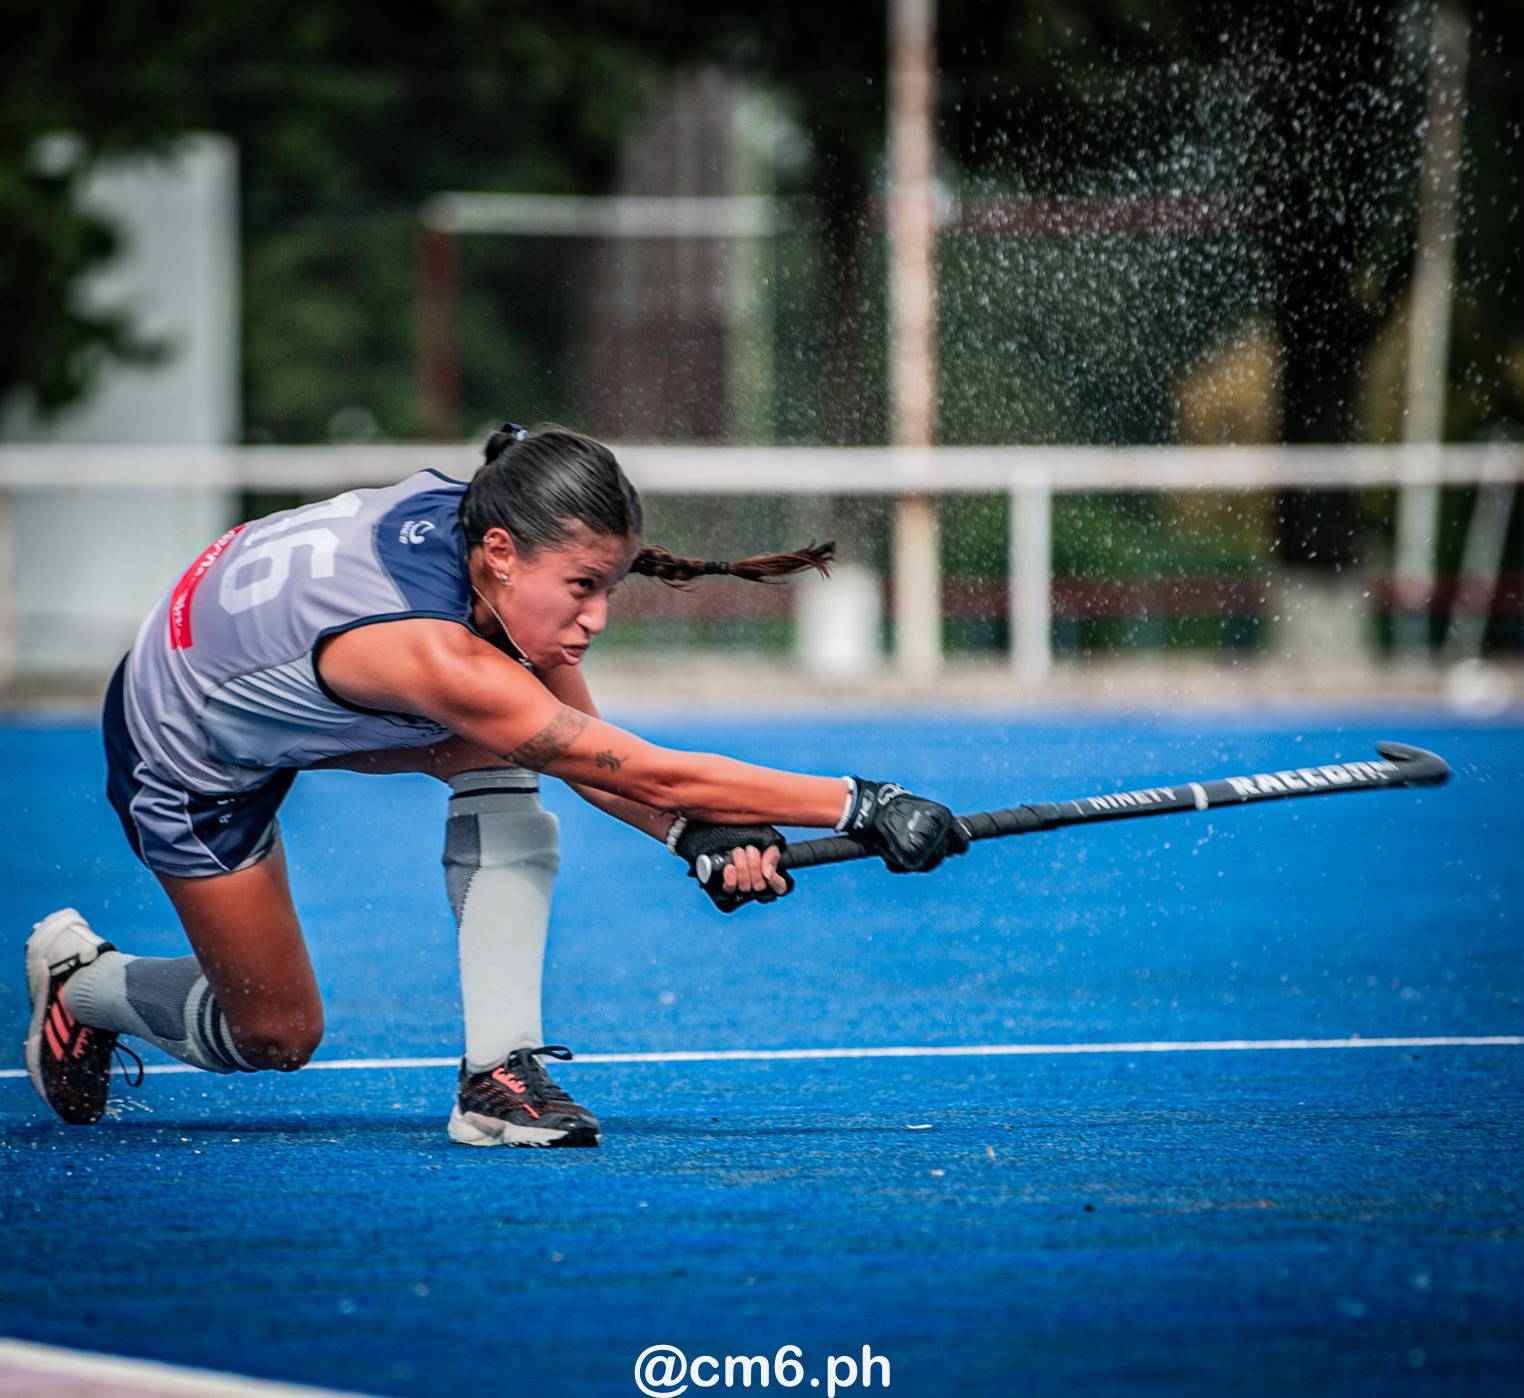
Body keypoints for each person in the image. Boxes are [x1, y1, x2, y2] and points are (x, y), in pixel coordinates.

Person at [25, 425, 966, 1148]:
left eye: (613, 588)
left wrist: (697, 837)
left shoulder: (482, 527)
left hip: (265, 679)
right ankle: (86, 987)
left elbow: (594, 756)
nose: (597, 620)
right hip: (182, 748)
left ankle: (496, 1079)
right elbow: (629, 765)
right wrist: (863, 803)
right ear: (503, 553)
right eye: (583, 588)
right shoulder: (433, 649)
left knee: (514, 749)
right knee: (275, 1036)